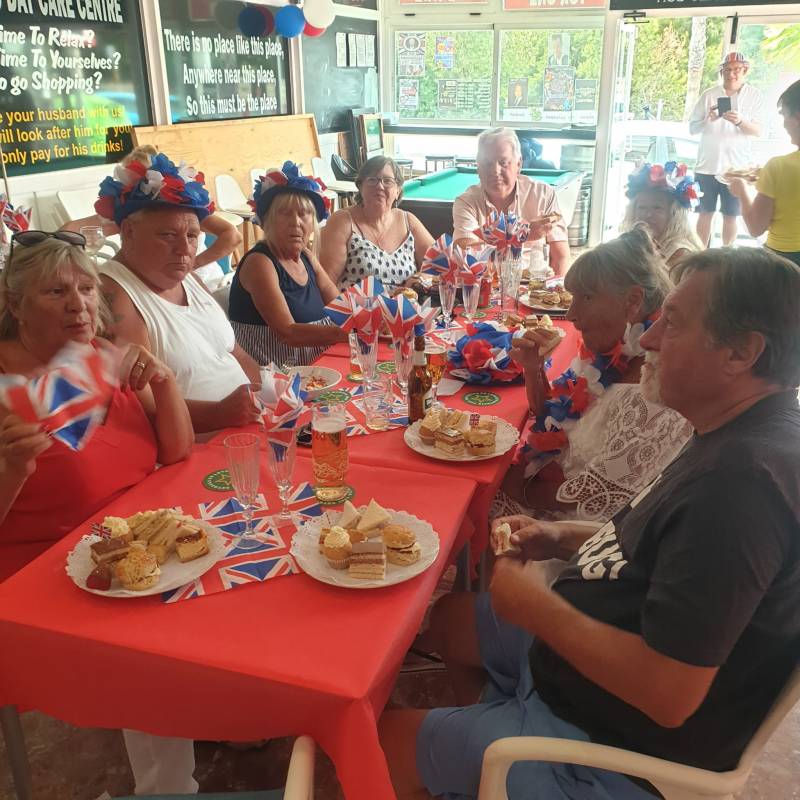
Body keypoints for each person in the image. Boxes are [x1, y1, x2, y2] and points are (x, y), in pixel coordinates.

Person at [380, 246, 800, 800]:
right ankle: (489, 753)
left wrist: (535, 607)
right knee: (451, 622)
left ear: (742, 352)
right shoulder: (740, 429)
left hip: (612, 746)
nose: (646, 338)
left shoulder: (742, 487)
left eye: (670, 324)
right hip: (583, 663)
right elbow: (663, 543)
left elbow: (668, 694)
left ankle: (509, 756)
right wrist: (562, 535)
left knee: (383, 740)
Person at [0, 232, 197, 794]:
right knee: (154, 653)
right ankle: (169, 789)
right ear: (14, 306)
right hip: (41, 579)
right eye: (55, 291)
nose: (79, 304)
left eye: (86, 288)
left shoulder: (100, 361)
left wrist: (161, 378)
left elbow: (176, 452)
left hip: (135, 548)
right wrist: (12, 468)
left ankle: (221, 716)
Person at [495, 226, 690, 524]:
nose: (571, 314)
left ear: (633, 301)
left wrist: (514, 487)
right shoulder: (612, 355)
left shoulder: (653, 391)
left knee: (468, 499)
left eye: (585, 298)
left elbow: (597, 497)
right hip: (545, 493)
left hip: (576, 534)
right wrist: (533, 370)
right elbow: (553, 417)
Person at [96, 153, 262, 434]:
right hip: (201, 451)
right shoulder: (116, 296)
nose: (185, 249)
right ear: (128, 231)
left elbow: (236, 354)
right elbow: (139, 411)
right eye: (168, 235)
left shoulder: (188, 277)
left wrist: (268, 394)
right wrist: (221, 414)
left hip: (248, 427)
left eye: (193, 236)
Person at [62, 145, 242, 289]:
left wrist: (193, 265)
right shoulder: (132, 214)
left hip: (205, 283)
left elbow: (232, 236)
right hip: (157, 282)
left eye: (130, 182)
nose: (127, 189)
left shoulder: (183, 208)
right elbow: (67, 232)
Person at [229, 162, 347, 367]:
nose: (296, 222)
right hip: (279, 374)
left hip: (319, 363)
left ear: (313, 222)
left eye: (304, 214)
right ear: (267, 220)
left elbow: (341, 308)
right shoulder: (260, 263)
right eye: (285, 213)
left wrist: (374, 313)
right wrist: (349, 334)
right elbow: (288, 333)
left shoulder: (306, 257)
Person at [452, 127, 570, 275]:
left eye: (503, 162)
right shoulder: (466, 202)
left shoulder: (543, 194)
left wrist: (558, 291)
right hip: (487, 285)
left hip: (536, 287)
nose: (495, 171)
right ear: (478, 167)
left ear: (518, 164)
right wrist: (523, 234)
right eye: (488, 163)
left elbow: (561, 256)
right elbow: (466, 255)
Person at [319, 156, 434, 291]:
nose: (379, 186)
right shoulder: (342, 221)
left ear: (397, 190)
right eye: (372, 180)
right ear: (360, 187)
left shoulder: (408, 221)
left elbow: (438, 265)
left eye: (387, 181)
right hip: (357, 310)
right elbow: (326, 283)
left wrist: (418, 279)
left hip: (407, 309)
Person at [689, 52, 765, 247]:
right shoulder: (709, 94)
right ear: (721, 72)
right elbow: (692, 128)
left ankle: (727, 255)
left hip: (736, 169)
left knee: (731, 215)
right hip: (707, 165)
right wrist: (708, 119)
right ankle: (700, 255)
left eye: (737, 69)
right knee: (704, 214)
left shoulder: (754, 96)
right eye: (727, 70)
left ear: (745, 70)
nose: (732, 74)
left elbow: (758, 131)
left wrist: (740, 121)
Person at [728, 79, 800, 267]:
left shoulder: (778, 167)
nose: (784, 125)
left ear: (798, 117)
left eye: (785, 115)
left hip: (785, 263)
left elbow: (755, 227)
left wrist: (742, 191)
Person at [620, 162, 703, 269]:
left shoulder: (679, 253)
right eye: (642, 208)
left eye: (657, 208)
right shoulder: (637, 244)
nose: (648, 214)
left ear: (674, 214)